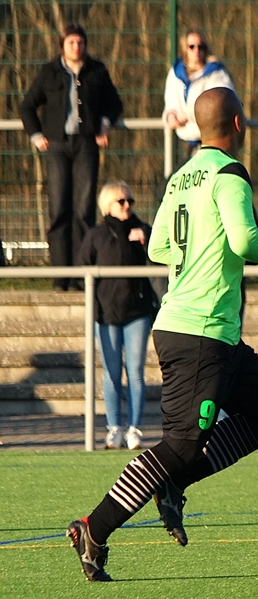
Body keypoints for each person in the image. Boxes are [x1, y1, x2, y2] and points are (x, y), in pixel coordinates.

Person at [66, 87, 258, 581]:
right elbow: (245, 240)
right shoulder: (230, 174)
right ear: (238, 125)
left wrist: (199, 258)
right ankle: (94, 527)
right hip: (199, 332)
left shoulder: (180, 177)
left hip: (211, 331)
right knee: (182, 445)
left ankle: (172, 484)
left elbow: (158, 249)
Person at [20, 23, 123, 291]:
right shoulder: (49, 71)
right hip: (56, 146)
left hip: (86, 145)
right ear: (62, 45)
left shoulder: (97, 71)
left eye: (80, 43)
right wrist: (36, 135)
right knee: (58, 211)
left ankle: (81, 278)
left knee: (84, 210)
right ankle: (60, 277)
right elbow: (27, 106)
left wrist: (104, 124)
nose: (76, 47)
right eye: (71, 43)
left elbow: (115, 104)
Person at [77, 182, 158, 451]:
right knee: (111, 374)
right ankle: (114, 428)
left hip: (137, 312)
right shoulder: (97, 235)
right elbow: (82, 269)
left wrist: (146, 240)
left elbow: (161, 257)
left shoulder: (143, 229)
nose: (127, 206)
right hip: (106, 314)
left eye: (130, 201)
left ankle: (134, 429)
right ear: (108, 205)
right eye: (121, 201)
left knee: (135, 372)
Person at [163, 28, 236, 154]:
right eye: (191, 46)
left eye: (200, 47)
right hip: (183, 141)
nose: (196, 50)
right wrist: (170, 115)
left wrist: (188, 115)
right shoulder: (175, 73)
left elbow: (219, 104)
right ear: (184, 48)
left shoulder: (217, 73)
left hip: (210, 142)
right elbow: (171, 101)